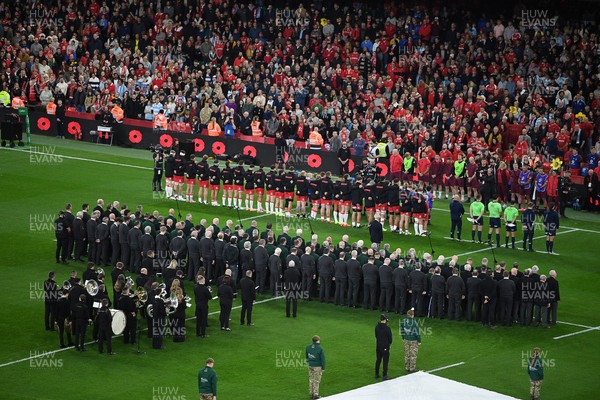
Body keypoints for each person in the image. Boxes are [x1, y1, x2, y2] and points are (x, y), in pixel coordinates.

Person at [306, 335, 326, 400]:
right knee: (316, 381)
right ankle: (315, 395)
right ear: (318, 340)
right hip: (317, 367)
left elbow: (307, 357)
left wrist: (309, 363)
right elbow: (322, 359)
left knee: (311, 380)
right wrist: (323, 368)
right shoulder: (320, 348)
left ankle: (311, 394)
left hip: (310, 366)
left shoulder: (308, 347)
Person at [375, 314, 393, 380]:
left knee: (378, 360)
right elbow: (390, 339)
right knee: (385, 361)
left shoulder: (377, 326)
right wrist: (389, 344)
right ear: (385, 320)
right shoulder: (387, 328)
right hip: (385, 347)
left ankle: (376, 374)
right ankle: (385, 375)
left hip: (378, 346)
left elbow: (376, 335)